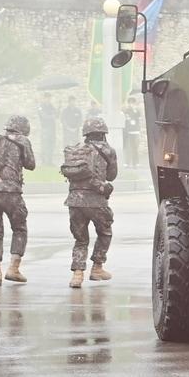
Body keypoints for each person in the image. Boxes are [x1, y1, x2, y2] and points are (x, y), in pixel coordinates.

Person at [0, 115, 35, 286]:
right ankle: (13, 269)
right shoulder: (22, 140)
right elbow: (31, 164)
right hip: (10, 192)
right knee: (19, 228)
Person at [64, 117, 119, 289]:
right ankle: (97, 267)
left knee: (80, 240)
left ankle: (77, 275)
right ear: (103, 133)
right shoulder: (108, 150)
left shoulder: (76, 150)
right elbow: (111, 176)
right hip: (96, 200)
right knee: (105, 232)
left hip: (74, 201)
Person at [122, 97, 143, 168]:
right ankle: (127, 163)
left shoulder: (137, 111)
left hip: (136, 131)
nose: (131, 104)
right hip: (128, 131)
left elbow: (139, 119)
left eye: (133, 102)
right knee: (128, 148)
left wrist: (139, 130)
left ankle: (135, 163)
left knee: (135, 148)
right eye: (130, 102)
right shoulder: (127, 110)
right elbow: (125, 118)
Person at [37, 95, 57, 166]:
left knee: (51, 144)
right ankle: (44, 161)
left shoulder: (51, 106)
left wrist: (59, 107)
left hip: (52, 128)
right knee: (45, 145)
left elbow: (56, 114)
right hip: (45, 128)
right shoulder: (41, 106)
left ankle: (50, 161)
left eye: (49, 98)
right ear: (44, 98)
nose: (48, 99)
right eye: (46, 98)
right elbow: (43, 116)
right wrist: (52, 116)